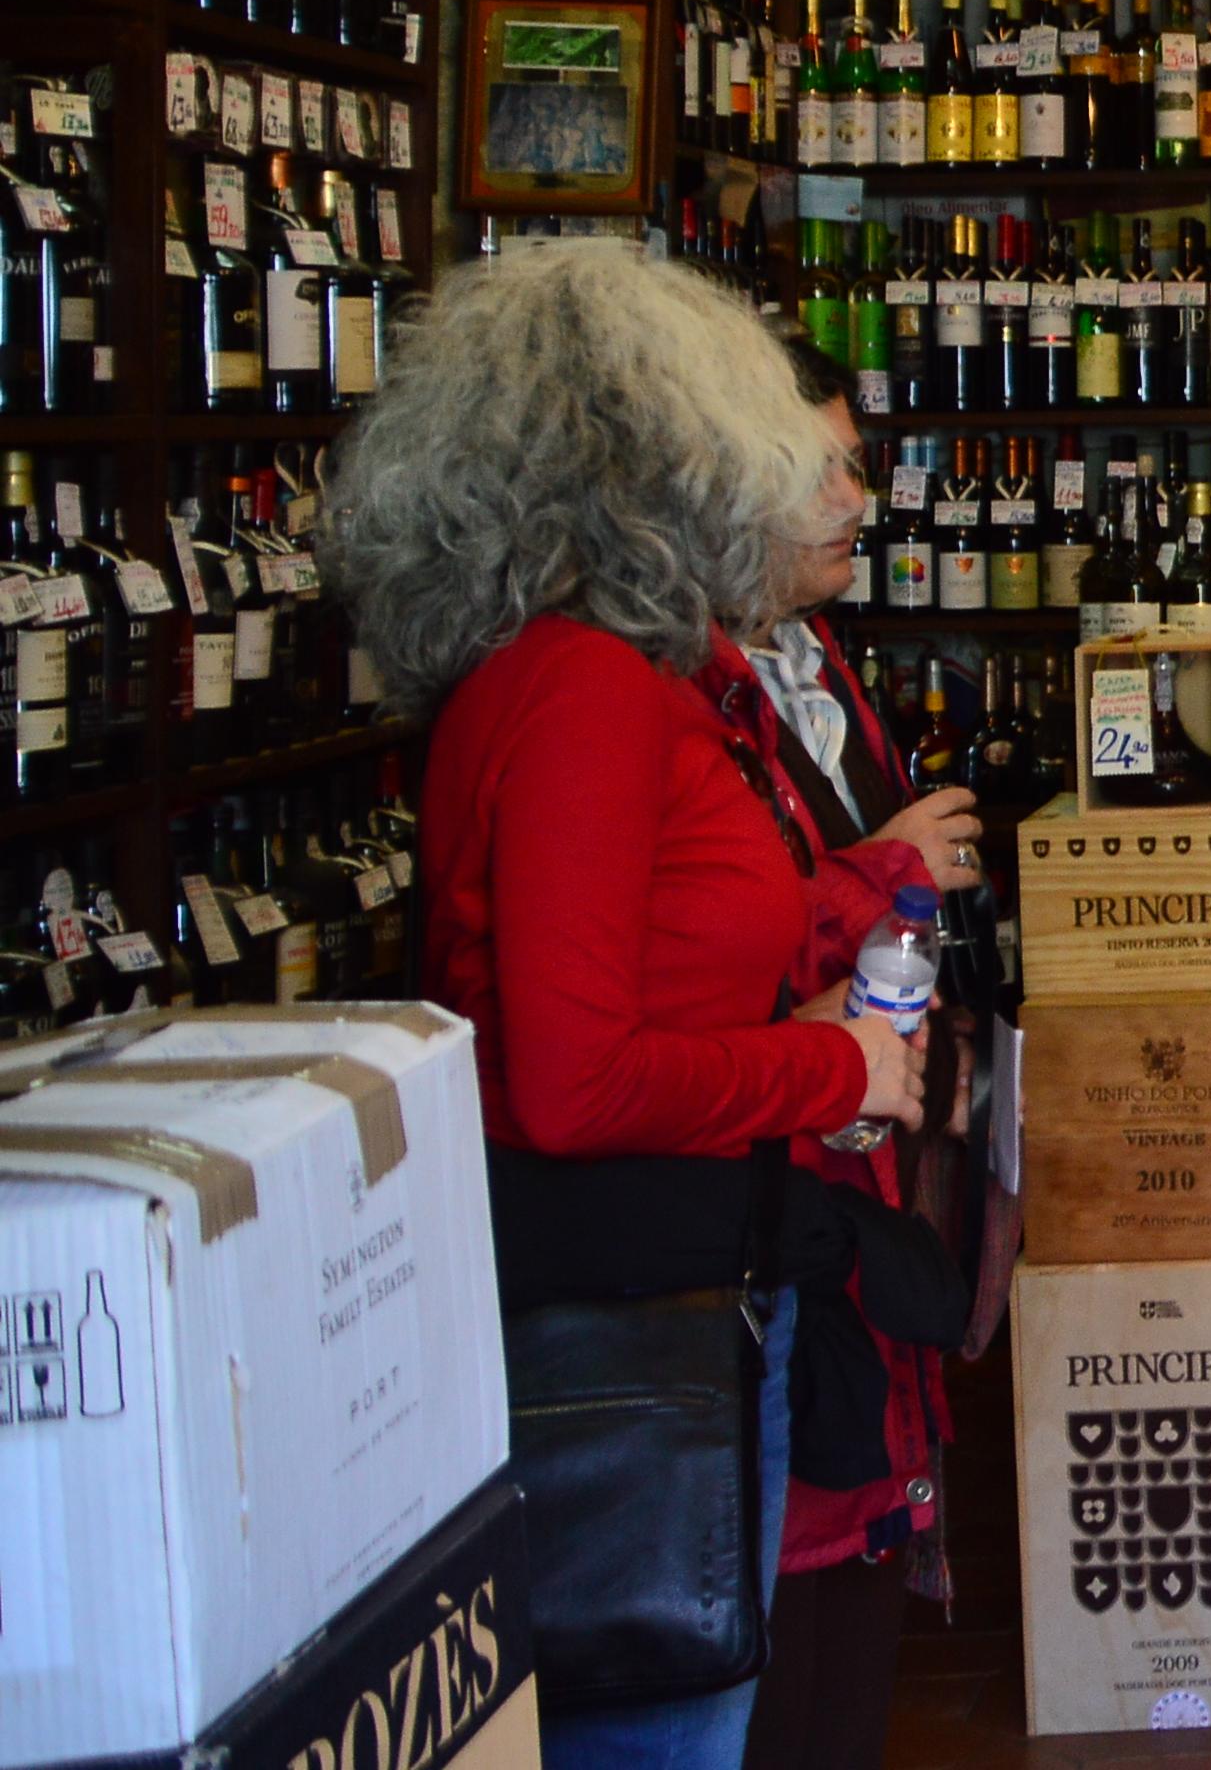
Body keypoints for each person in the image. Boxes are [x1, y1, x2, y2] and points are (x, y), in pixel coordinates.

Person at [328, 240, 953, 1770]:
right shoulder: (587, 693)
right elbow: (570, 1083)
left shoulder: (587, 674)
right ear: (667, 466)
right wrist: (831, 1070)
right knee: (668, 1730)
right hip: (624, 1327)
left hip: (666, 1287)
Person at [738, 328, 978, 1770]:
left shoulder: (811, 656)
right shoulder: (671, 697)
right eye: (830, 465)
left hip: (855, 1127)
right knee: (800, 1528)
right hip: (782, 1162)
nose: (860, 498)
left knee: (860, 1496)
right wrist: (879, 866)